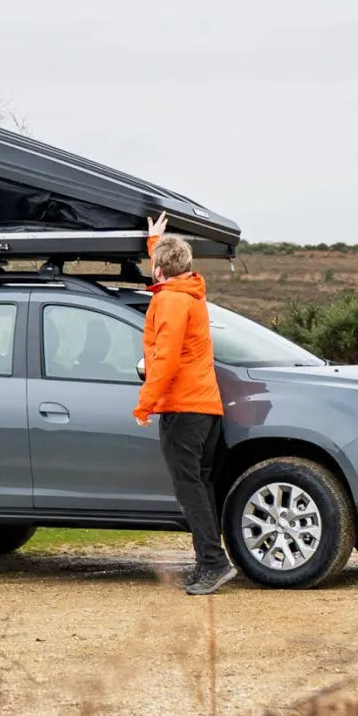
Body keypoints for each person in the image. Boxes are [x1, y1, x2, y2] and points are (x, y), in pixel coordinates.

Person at [133, 211, 237, 596]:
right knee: (200, 486)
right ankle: (208, 562)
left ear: (159, 271)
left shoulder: (172, 303)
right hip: (204, 407)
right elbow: (171, 267)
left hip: (184, 408)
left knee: (190, 489)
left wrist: (146, 405)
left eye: (154, 264)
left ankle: (213, 563)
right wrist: (155, 243)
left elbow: (166, 358)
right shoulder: (189, 290)